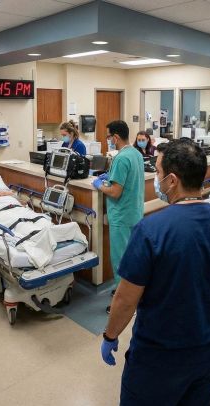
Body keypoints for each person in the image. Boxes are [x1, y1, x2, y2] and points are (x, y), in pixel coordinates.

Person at [101, 139, 210, 406]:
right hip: (209, 349)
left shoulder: (151, 230)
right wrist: (205, 324)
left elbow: (126, 300)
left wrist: (110, 334)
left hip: (159, 356)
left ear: (172, 180)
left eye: (158, 171)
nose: (156, 179)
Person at [91, 121, 144, 305]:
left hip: (121, 217)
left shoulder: (121, 158)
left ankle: (123, 302)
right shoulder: (136, 154)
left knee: (121, 261)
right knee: (133, 258)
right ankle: (132, 293)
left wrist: (99, 185)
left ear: (115, 137)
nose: (108, 141)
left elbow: (115, 192)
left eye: (108, 137)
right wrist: (110, 176)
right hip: (134, 213)